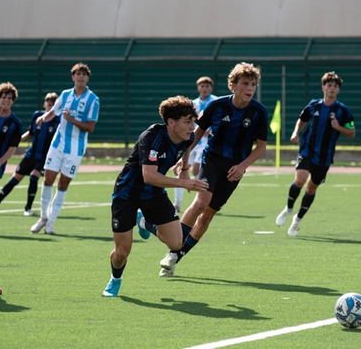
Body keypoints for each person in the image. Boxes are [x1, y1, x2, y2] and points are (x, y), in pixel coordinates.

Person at [139, 62, 268, 277]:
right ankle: (173, 251)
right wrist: (185, 162)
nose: (250, 88)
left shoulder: (259, 112)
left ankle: (175, 257)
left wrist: (242, 166)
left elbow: (261, 147)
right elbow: (195, 135)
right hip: (212, 161)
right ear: (233, 85)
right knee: (200, 202)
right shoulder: (217, 107)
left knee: (207, 217)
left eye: (253, 84)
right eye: (245, 83)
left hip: (234, 169)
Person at [102, 96, 209, 297]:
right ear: (171, 122)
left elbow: (186, 148)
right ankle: (115, 279)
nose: (192, 126)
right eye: (187, 121)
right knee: (122, 253)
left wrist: (185, 168)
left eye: (192, 121)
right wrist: (184, 182)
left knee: (177, 243)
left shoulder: (189, 137)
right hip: (127, 193)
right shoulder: (152, 138)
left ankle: (143, 223)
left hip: (153, 194)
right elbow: (149, 176)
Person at [275, 71, 355, 236]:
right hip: (307, 149)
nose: (332, 88)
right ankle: (288, 209)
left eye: (335, 86)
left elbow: (352, 132)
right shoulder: (314, 105)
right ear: (323, 87)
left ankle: (297, 219)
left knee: (311, 188)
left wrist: (338, 127)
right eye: (329, 85)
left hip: (324, 155)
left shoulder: (343, 110)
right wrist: (296, 132)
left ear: (338, 90)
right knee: (299, 180)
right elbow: (302, 119)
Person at [30, 62, 100, 235]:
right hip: (58, 144)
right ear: (73, 77)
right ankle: (43, 218)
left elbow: (90, 127)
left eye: (84, 74)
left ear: (87, 78)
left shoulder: (93, 100)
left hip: (76, 148)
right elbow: (54, 111)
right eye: (78, 74)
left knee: (63, 183)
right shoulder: (65, 94)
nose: (81, 77)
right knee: (48, 179)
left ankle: (50, 224)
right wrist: (43, 118)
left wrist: (72, 120)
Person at [0, 93, 60, 216]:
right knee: (14, 180)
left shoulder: (59, 120)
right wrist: (15, 140)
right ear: (44, 104)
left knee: (33, 176)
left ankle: (28, 208)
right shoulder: (37, 116)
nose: (50, 107)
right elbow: (30, 133)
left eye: (53, 105)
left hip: (44, 157)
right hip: (30, 155)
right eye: (49, 104)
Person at [173, 76, 218, 212]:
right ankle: (177, 204)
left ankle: (203, 200)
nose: (205, 89)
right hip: (191, 141)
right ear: (198, 88)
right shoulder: (193, 104)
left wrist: (208, 130)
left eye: (207, 86)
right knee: (181, 170)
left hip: (205, 142)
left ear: (211, 88)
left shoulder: (215, 102)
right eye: (202, 86)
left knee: (195, 169)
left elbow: (218, 121)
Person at [0, 82, 22, 205]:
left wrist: (1, 161)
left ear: (13, 101)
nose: (6, 100)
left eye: (9, 98)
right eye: (4, 97)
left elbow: (13, 147)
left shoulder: (16, 124)